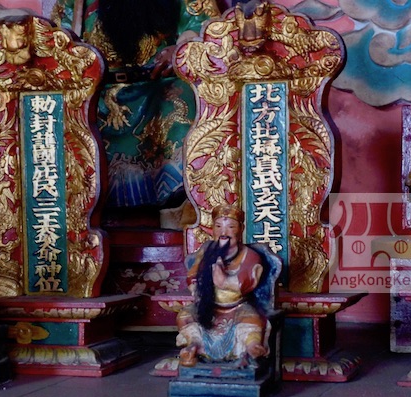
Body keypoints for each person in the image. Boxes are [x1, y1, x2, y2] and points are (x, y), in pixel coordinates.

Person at [52, 0, 219, 209]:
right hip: (97, 94)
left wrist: (181, 50)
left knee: (188, 106)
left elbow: (205, 29)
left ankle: (177, 201)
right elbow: (57, 45)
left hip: (158, 88)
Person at [176, 204, 273, 367]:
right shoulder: (206, 250)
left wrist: (225, 281)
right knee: (185, 316)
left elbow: (247, 282)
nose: (224, 232)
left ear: (240, 230)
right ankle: (193, 345)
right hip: (209, 306)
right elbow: (193, 274)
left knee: (253, 320)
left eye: (231, 227)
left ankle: (251, 348)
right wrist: (197, 288)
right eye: (218, 226)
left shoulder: (249, 255)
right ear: (212, 230)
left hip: (237, 306)